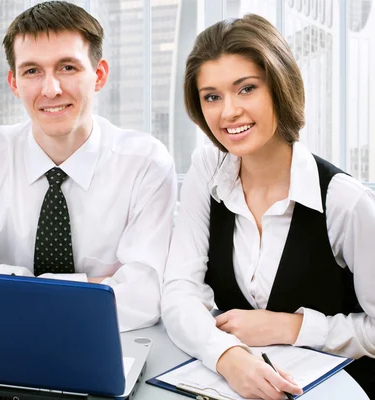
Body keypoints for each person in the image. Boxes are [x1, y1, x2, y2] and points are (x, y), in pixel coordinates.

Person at [161, 13, 375, 399]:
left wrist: (291, 327)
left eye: (246, 89)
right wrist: (227, 356)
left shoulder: (344, 200)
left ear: (279, 86)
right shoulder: (207, 170)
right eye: (212, 96)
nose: (228, 112)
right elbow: (179, 291)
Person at [0, 1, 177, 332]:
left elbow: (144, 298)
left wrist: (9, 285)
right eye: (32, 71)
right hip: (2, 334)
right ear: (14, 83)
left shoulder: (146, 164)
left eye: (67, 67)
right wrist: (99, 285)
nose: (50, 89)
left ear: (98, 75)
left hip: (105, 338)